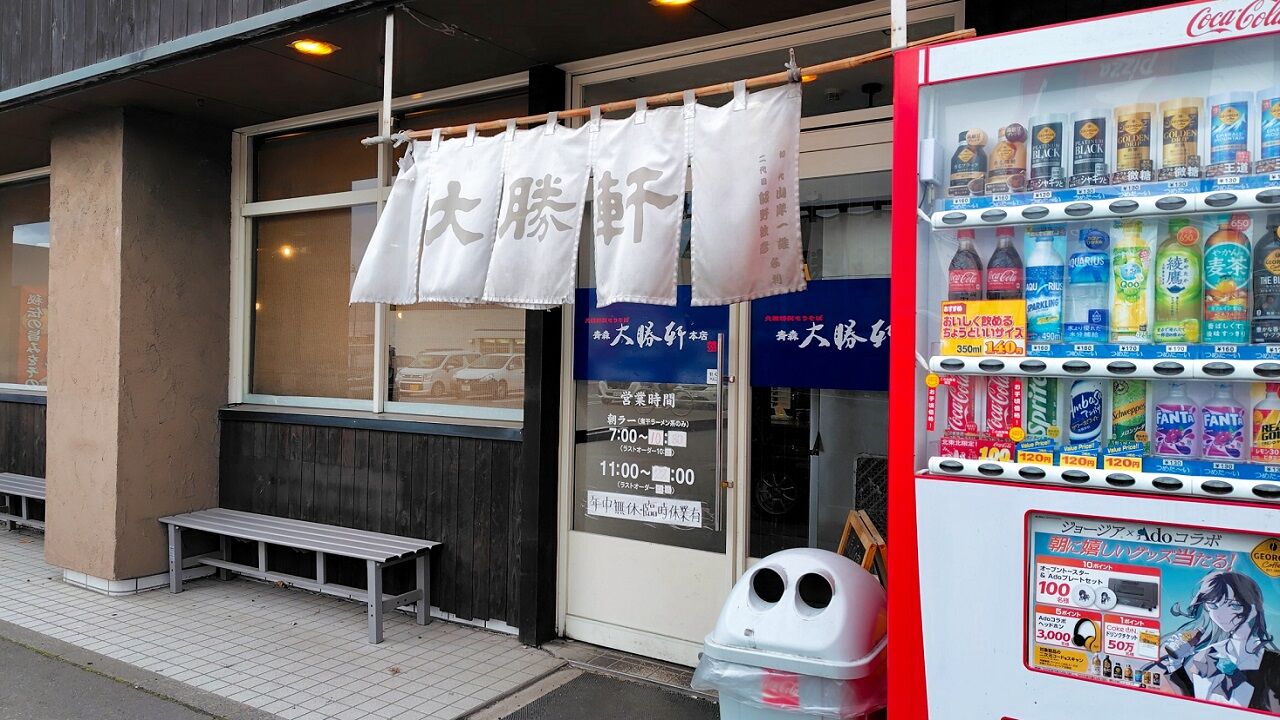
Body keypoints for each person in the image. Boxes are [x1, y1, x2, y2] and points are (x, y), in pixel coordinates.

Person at [1160, 571, 1280, 710]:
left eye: (1233, 605)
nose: (1220, 614)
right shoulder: (1207, 654)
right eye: (1213, 605)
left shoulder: (1273, 663)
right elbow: (1193, 703)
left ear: (1254, 609)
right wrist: (1175, 664)